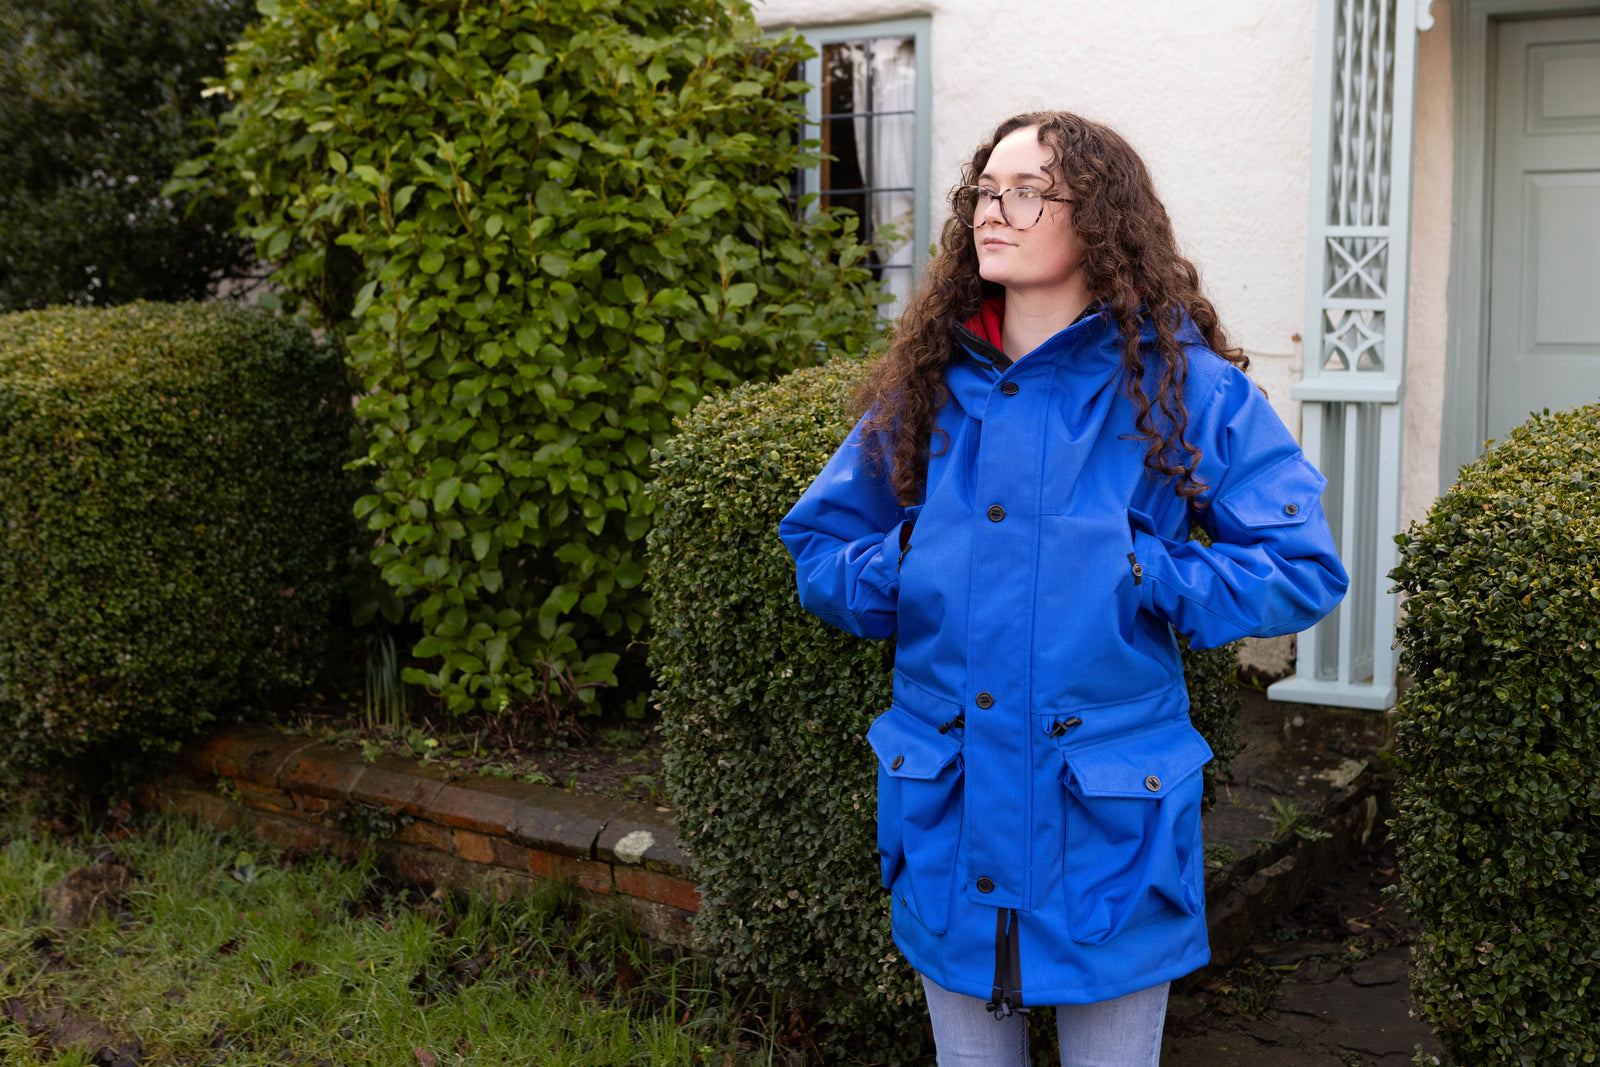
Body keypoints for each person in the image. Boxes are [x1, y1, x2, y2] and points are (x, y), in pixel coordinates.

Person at [778, 112, 1349, 1066]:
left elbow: (1300, 566)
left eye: (1028, 190)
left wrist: (1145, 570)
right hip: (949, 808)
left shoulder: (1186, 387)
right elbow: (822, 549)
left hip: (1108, 824)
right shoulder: (924, 386)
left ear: (1101, 218)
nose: (992, 213)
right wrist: (907, 562)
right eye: (983, 192)